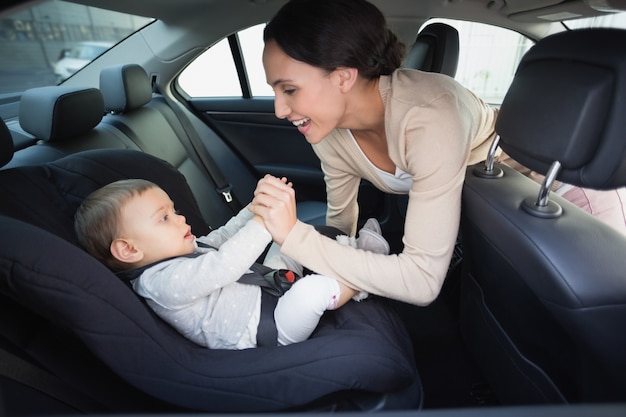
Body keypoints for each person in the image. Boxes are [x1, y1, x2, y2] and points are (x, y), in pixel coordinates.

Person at [250, 0, 500, 306]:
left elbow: (421, 281)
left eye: (289, 90)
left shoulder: (431, 115)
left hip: (530, 192)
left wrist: (293, 236)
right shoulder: (329, 132)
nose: (279, 110)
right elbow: (340, 224)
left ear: (343, 77)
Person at [74, 178, 389, 350]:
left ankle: (350, 248)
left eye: (174, 210)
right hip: (268, 329)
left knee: (288, 238)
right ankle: (361, 275)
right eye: (165, 218)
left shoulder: (181, 252)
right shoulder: (161, 284)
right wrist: (265, 223)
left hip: (266, 290)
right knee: (311, 293)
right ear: (128, 250)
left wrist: (254, 209)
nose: (180, 218)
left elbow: (222, 238)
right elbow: (225, 265)